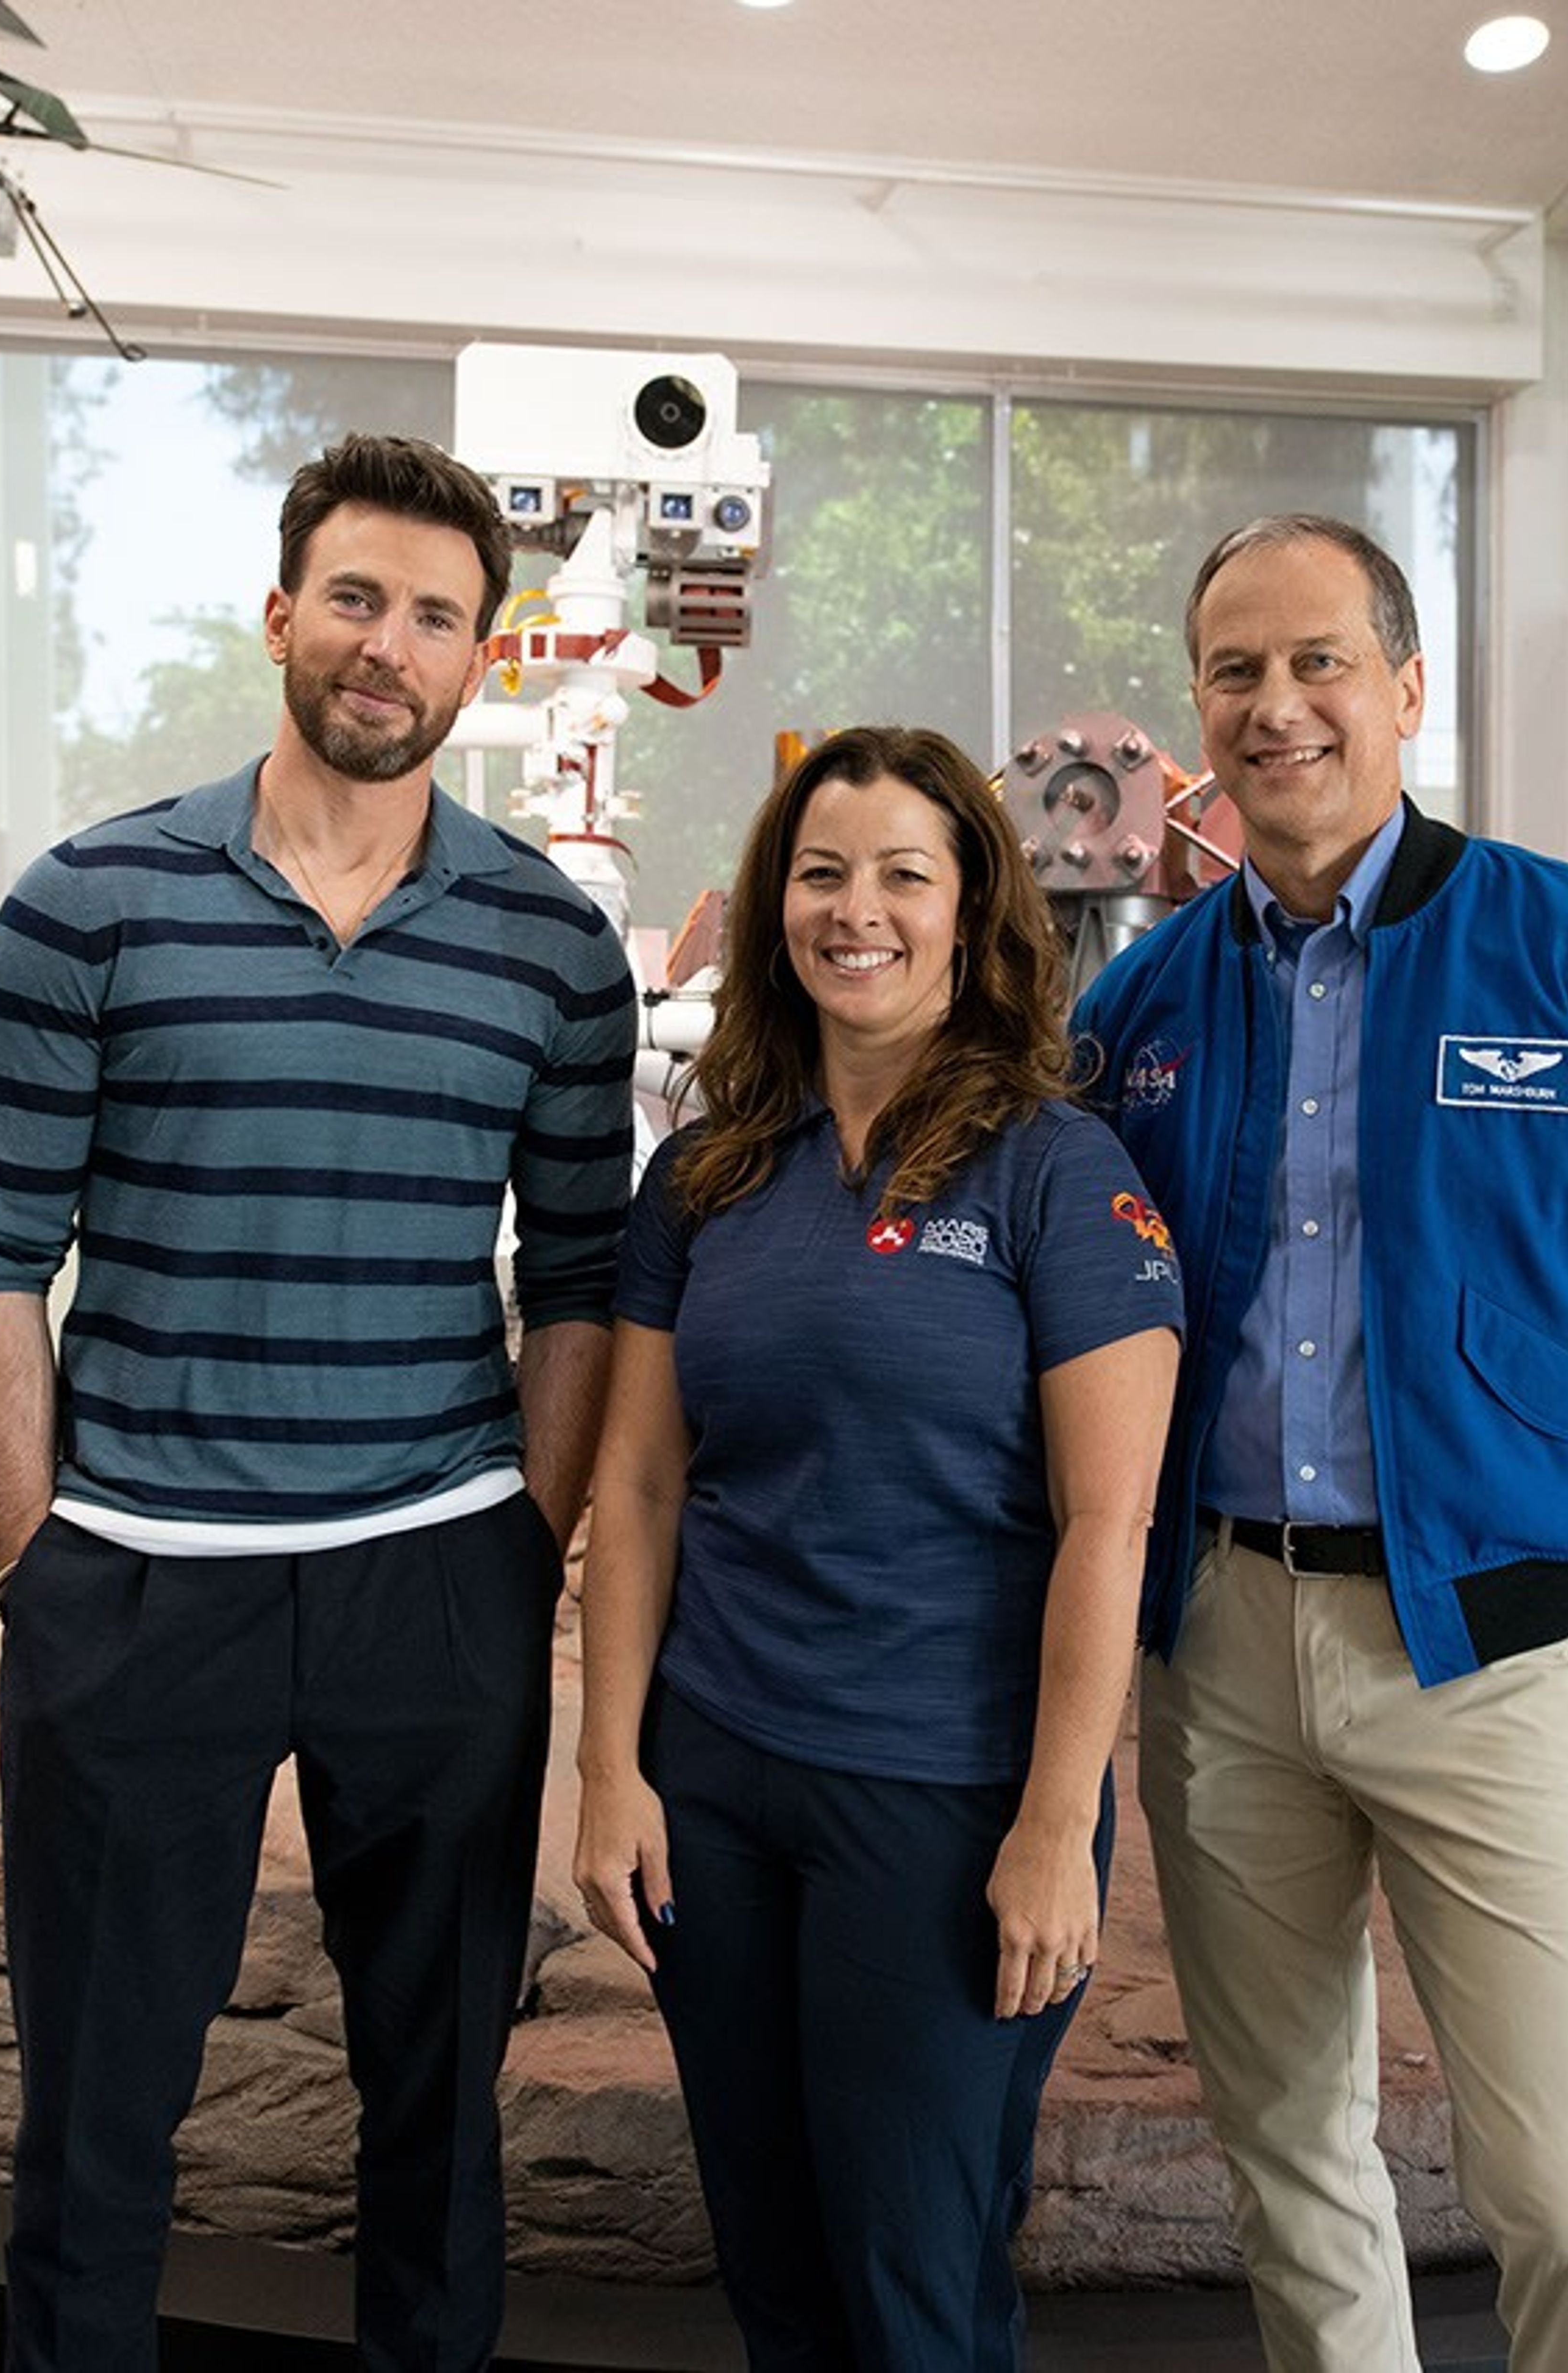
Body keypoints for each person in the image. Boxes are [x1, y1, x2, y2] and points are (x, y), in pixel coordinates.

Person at [0, 432, 638, 2373]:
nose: (387, 644)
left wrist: (522, 1552)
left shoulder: (553, 952)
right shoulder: (87, 905)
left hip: (433, 1580)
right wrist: (40, 1568)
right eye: (355, 597)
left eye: (432, 614)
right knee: (96, 2125)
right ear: (279, 615)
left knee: (437, 2122)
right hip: (144, 1586)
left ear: (482, 658)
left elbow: (580, 1284)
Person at [1072, 516, 1568, 2371]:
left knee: (1564, 2191)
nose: (1277, 706)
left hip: (1485, 1649)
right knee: (1291, 2163)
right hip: (1222, 1652)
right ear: (1198, 715)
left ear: (1403, 689)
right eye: (1236, 672)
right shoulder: (1138, 1009)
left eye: (1319, 664)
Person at [570, 724, 1181, 2369]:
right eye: (823, 874)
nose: (861, 910)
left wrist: (1061, 1822)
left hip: (938, 1801)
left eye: (906, 874)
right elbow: (633, 1491)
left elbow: (1104, 1525)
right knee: (773, 2271)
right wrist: (610, 1771)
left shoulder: (1060, 1174)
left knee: (915, 2288)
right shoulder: (706, 1174)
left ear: (974, 910)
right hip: (717, 1781)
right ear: (778, 906)